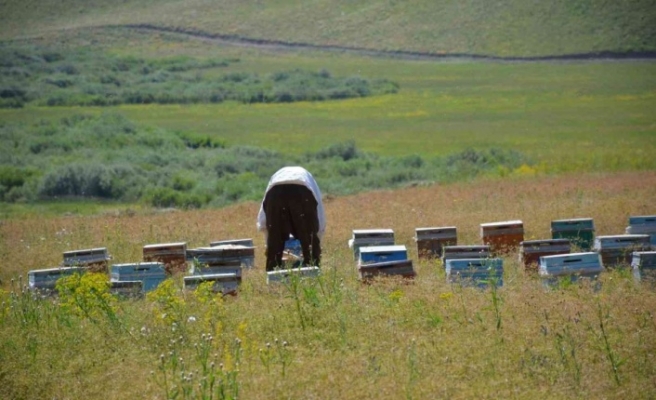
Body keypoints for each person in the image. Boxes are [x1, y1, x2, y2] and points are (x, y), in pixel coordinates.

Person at [257, 166, 326, 271]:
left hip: (275, 193)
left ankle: (273, 278)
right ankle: (313, 275)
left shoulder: (276, 178)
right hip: (302, 192)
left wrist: (269, 243)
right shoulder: (309, 179)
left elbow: (264, 221)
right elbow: (319, 216)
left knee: (274, 247)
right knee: (310, 244)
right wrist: (317, 242)